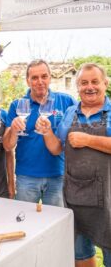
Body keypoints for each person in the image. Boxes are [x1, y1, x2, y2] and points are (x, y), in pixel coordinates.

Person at [36, 63, 111, 267]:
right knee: (81, 255)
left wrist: (89, 140)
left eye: (95, 82)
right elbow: (56, 148)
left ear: (105, 83)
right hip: (75, 197)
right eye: (84, 83)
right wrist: (46, 131)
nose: (90, 87)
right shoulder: (70, 111)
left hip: (108, 199)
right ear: (77, 87)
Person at [3, 59, 76, 206]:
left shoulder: (67, 101)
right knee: (25, 221)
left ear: (50, 77)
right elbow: (7, 146)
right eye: (34, 78)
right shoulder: (17, 105)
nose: (40, 81)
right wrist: (14, 130)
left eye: (44, 76)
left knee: (56, 222)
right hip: (26, 176)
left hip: (58, 174)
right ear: (28, 81)